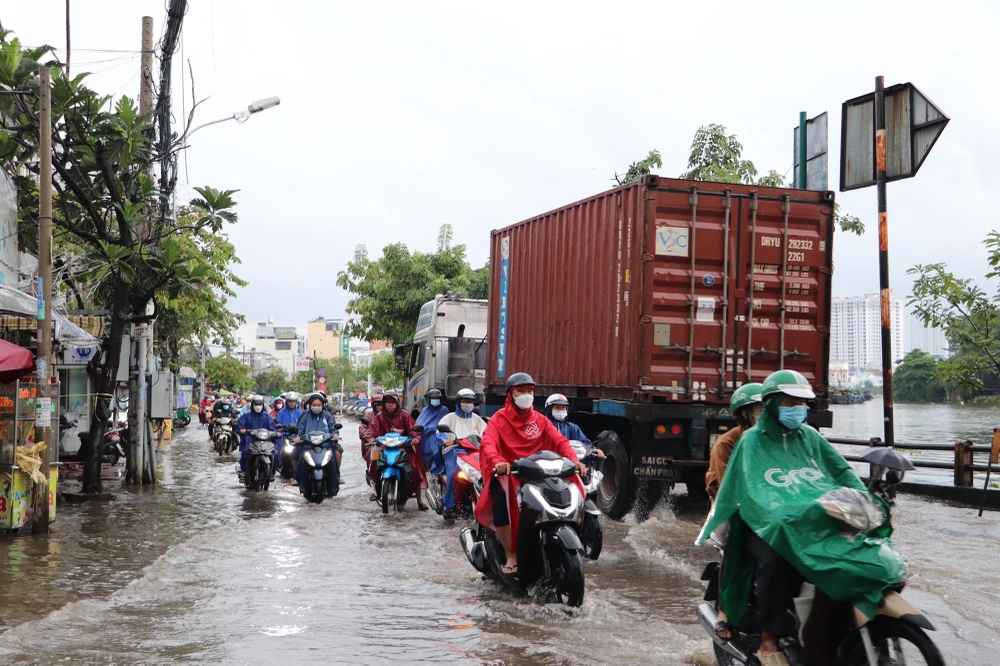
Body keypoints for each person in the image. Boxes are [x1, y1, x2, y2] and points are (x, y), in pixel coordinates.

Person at [697, 370, 908, 666]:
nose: (798, 407)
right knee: (776, 560)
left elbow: (840, 472)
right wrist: (780, 510)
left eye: (802, 402)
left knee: (851, 547)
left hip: (806, 519)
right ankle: (770, 637)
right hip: (763, 522)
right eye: (791, 401)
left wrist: (863, 498)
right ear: (772, 404)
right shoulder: (749, 442)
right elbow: (750, 491)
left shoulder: (810, 436)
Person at [475, 372, 585, 575]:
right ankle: (510, 554)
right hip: (509, 475)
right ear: (511, 394)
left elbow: (559, 440)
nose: (526, 395)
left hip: (538, 474)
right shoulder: (498, 420)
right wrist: (498, 461)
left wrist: (574, 459)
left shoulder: (540, 420)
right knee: (500, 503)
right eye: (521, 391)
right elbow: (488, 443)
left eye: (529, 391)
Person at [702, 382, 763, 641]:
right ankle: (726, 611)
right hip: (731, 509)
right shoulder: (727, 443)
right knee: (738, 543)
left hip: (773, 508)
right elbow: (729, 486)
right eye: (759, 410)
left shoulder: (777, 439)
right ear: (744, 414)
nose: (765, 414)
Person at [368, 391, 426, 509]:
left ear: (397, 403)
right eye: (388, 403)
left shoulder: (404, 415)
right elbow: (372, 430)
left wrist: (416, 438)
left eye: (393, 403)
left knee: (414, 468)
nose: (390, 405)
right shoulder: (379, 417)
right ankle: (376, 490)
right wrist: (370, 438)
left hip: (403, 448)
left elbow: (413, 429)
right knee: (374, 464)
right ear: (384, 404)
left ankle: (419, 501)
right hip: (384, 448)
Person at [438, 388, 487, 519]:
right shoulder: (449, 418)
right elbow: (440, 434)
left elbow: (487, 434)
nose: (468, 404)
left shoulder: (477, 420)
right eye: (465, 401)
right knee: (455, 473)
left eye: (470, 402)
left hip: (474, 453)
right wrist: (445, 440)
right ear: (458, 402)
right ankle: (448, 505)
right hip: (454, 451)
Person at [294, 393, 343, 497]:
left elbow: (333, 428)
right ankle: (298, 478)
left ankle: (336, 476)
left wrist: (335, 435)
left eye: (318, 405)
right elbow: (300, 429)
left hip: (326, 444)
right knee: (294, 454)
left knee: (338, 452)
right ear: (310, 405)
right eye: (314, 405)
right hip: (308, 445)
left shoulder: (327, 415)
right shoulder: (305, 416)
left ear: (322, 405)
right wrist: (298, 437)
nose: (316, 407)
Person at [235, 395, 277, 480]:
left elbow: (272, 427)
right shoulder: (246, 416)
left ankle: (272, 473)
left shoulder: (267, 416)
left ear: (263, 405)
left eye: (260, 404)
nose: (258, 406)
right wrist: (242, 430)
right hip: (250, 440)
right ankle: (244, 471)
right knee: (246, 452)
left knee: (275, 453)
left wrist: (275, 433)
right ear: (252, 405)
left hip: (265, 441)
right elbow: (239, 425)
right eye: (256, 404)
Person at [415, 388, 450, 484]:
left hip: (437, 436)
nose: (435, 400)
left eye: (437, 398)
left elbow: (443, 423)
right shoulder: (425, 410)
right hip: (424, 435)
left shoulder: (444, 410)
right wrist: (423, 430)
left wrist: (431, 429)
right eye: (433, 398)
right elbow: (419, 423)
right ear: (429, 399)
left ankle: (437, 469)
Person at [273, 392, 303, 476]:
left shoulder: (300, 413)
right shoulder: (281, 412)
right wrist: (278, 431)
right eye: (290, 401)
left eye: (293, 401)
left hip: (296, 437)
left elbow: (303, 425)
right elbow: (277, 424)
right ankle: (279, 466)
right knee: (277, 450)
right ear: (286, 402)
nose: (292, 403)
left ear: (296, 402)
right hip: (284, 436)